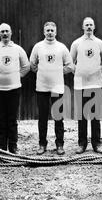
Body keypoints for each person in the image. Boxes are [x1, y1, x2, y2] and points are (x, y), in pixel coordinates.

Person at [0, 23, 30, 154]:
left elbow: (26, 67)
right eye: (2, 31)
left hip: (14, 89)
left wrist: (16, 76)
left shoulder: (18, 49)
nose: (4, 34)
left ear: (11, 33)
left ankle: (13, 146)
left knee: (12, 119)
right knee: (1, 118)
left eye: (7, 31)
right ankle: (2, 146)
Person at [29, 21, 73, 155]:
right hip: (42, 88)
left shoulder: (61, 47)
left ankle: (60, 145)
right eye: (47, 30)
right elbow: (32, 65)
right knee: (42, 118)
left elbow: (70, 65)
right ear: (44, 32)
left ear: (56, 32)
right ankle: (42, 144)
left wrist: (57, 73)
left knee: (58, 118)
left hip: (57, 88)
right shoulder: (38, 47)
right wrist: (43, 73)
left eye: (51, 30)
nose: (49, 33)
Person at [70, 17, 102, 154]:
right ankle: (82, 144)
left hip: (96, 84)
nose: (89, 27)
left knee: (95, 115)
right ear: (82, 27)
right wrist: (80, 73)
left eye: (91, 25)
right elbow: (70, 62)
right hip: (80, 85)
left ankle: (97, 144)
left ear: (94, 27)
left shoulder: (99, 43)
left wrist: (96, 73)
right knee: (82, 115)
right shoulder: (76, 43)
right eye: (86, 25)